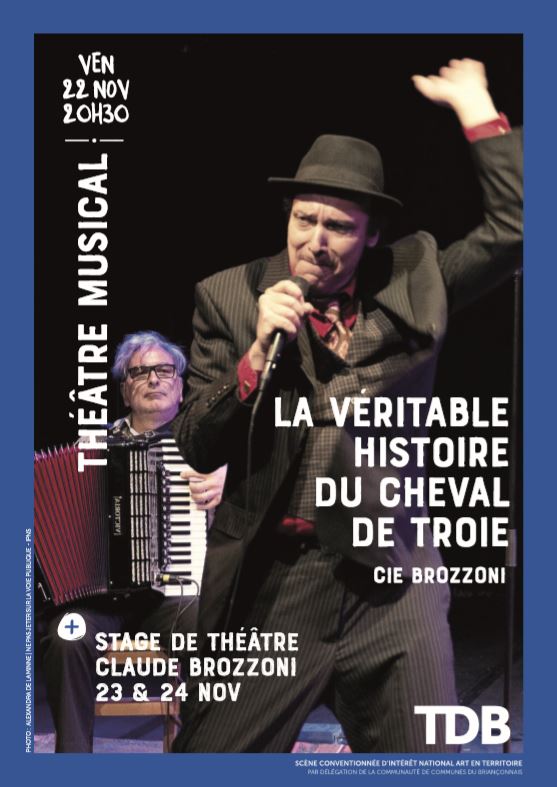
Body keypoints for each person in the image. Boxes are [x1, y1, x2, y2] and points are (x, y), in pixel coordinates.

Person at [171, 59, 522, 753]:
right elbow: (195, 443)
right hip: (276, 582)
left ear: (371, 234)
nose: (317, 241)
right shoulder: (230, 296)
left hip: (392, 577)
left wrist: (475, 107)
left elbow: (519, 228)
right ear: (287, 215)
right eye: (305, 220)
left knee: (425, 759)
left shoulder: (418, 280)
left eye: (338, 226)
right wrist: (254, 357)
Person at [40, 330, 227, 752]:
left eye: (164, 370)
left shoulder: (207, 446)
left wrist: (227, 478)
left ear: (181, 386)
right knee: (66, 636)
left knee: (213, 626)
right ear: (125, 391)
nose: (153, 379)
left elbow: (262, 491)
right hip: (99, 605)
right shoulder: (92, 448)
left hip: (172, 600)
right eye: (140, 372)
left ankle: (204, 754)